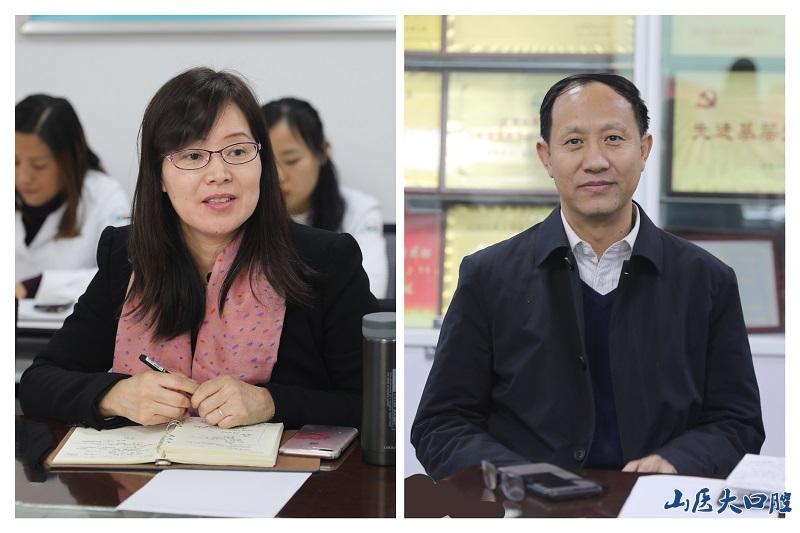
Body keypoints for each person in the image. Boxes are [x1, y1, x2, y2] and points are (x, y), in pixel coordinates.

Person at [411, 73, 764, 481]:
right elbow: (442, 424)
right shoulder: (488, 277)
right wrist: (520, 478)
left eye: (613, 138)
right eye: (574, 141)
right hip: (525, 505)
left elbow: (738, 422)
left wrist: (679, 462)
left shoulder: (707, 281)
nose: (595, 160)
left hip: (657, 504)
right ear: (546, 157)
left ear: (644, 149)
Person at [20, 67, 375, 431]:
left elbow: (375, 403)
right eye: (192, 156)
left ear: (262, 162)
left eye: (237, 151)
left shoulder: (326, 261)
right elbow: (38, 381)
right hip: (146, 465)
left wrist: (271, 402)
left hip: (281, 468)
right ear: (159, 175)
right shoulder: (127, 255)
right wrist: (114, 395)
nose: (219, 173)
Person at [262, 97, 389, 298]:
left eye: (291, 160)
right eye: (267, 162)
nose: (278, 175)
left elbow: (370, 296)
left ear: (322, 151)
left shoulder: (360, 211)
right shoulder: (244, 213)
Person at [15, 94, 130, 299]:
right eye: (14, 162)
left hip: (70, 319)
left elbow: (125, 272)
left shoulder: (105, 198)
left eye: (39, 165)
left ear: (69, 159)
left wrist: (39, 285)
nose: (23, 177)